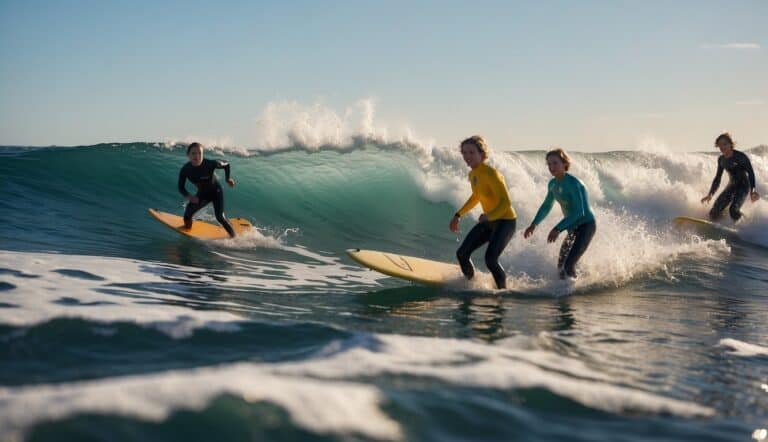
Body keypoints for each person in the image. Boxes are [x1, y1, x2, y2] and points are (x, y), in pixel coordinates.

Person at [449, 135, 517, 289]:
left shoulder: (491, 174)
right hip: (489, 221)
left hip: (505, 221)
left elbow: (506, 203)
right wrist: (458, 215)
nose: (467, 156)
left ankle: (502, 292)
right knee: (462, 254)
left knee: (490, 260)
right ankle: (470, 283)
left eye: (471, 152)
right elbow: (476, 197)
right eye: (464, 153)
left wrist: (489, 216)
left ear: (482, 153)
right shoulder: (473, 174)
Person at [523, 148, 595, 279]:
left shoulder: (574, 183)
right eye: (549, 164)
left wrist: (558, 228)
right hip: (572, 227)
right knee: (561, 265)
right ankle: (567, 287)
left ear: (564, 163)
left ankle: (571, 292)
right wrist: (534, 224)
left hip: (586, 226)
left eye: (555, 163)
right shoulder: (552, 184)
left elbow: (580, 212)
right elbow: (546, 206)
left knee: (568, 265)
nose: (551, 167)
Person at [178, 142, 237, 237]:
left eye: (199, 153)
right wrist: (189, 197)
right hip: (203, 194)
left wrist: (227, 179)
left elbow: (226, 164)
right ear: (188, 155)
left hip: (216, 192)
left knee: (220, 218)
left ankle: (235, 238)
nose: (196, 156)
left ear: (202, 154)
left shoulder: (210, 164)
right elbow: (181, 187)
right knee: (187, 216)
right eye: (193, 153)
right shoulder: (185, 170)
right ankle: (188, 231)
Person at [701, 132, 759, 222]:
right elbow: (718, 178)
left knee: (733, 210)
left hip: (743, 186)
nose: (722, 147)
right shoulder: (721, 160)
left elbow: (751, 173)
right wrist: (710, 194)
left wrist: (753, 191)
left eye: (725, 144)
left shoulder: (741, 157)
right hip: (731, 186)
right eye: (720, 145)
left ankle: (747, 225)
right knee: (713, 213)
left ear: (731, 144)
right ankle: (722, 227)